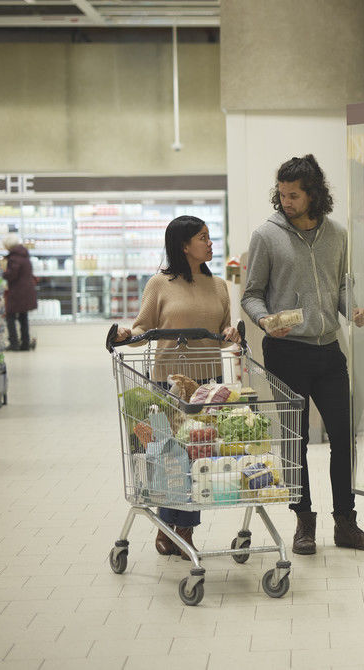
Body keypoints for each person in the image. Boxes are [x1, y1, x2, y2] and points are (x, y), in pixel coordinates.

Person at [241, 154, 364, 555]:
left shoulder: (336, 234)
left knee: (344, 437)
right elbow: (250, 294)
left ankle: (346, 523)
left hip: (328, 350)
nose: (285, 201)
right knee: (295, 439)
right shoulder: (266, 236)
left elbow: (339, 286)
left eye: (294, 195)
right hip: (285, 351)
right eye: (282, 194)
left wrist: (351, 306)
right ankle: (304, 522)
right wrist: (265, 319)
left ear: (313, 195)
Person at [114, 215, 240, 557]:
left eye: (210, 237)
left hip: (207, 384)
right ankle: (174, 528)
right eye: (203, 238)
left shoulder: (218, 286)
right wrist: (126, 335)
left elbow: (226, 333)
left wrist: (233, 334)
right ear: (184, 245)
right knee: (173, 458)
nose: (210, 243)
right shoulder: (160, 283)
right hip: (168, 384)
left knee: (198, 455)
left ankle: (180, 529)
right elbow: (143, 330)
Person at [2, 233, 37, 351]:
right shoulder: (24, 255)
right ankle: (25, 343)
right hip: (27, 290)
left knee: (10, 316)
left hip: (17, 291)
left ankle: (14, 343)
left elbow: (12, 275)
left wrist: (2, 273)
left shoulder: (14, 258)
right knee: (23, 317)